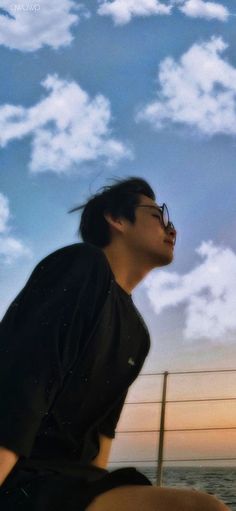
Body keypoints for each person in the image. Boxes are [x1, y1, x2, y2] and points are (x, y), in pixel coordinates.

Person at [0, 177, 230, 511]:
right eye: (158, 215)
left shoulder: (138, 335)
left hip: (66, 486)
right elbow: (18, 390)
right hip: (17, 480)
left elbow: (98, 442)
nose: (172, 229)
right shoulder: (81, 267)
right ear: (117, 219)